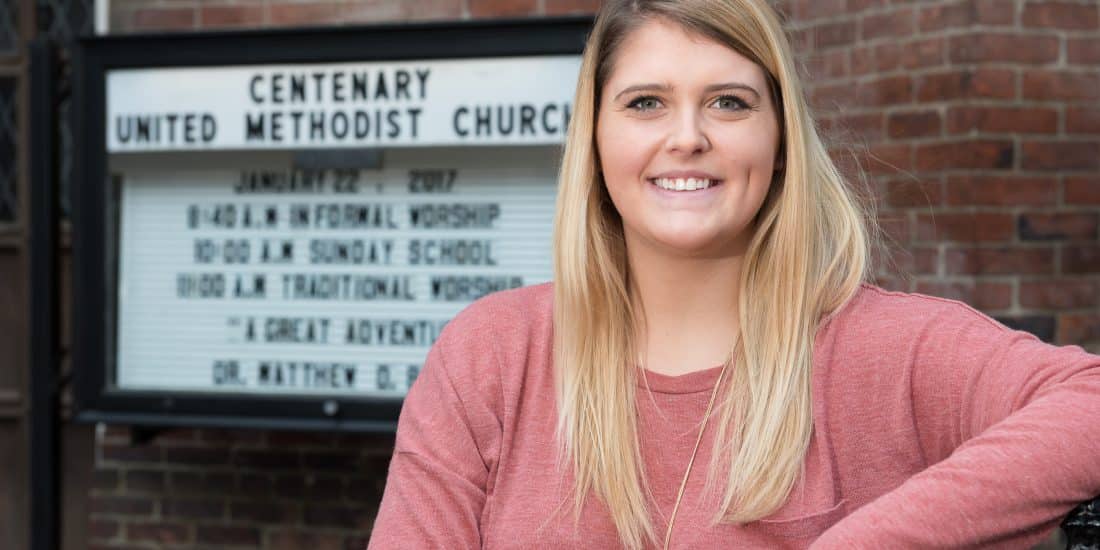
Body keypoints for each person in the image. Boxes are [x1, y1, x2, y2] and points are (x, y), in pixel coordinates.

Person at [368, 0, 1100, 548]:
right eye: (646, 103)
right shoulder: (492, 355)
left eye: (729, 102)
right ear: (595, 139)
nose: (688, 137)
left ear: (779, 142)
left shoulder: (885, 349)